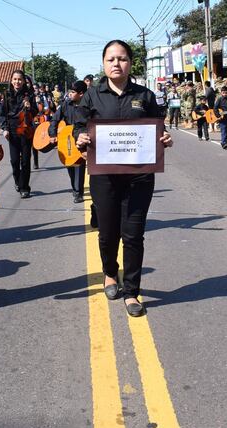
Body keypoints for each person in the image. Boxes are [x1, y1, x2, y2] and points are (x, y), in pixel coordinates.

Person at [74, 40, 173, 317]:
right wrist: (79, 137)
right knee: (107, 233)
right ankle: (108, 273)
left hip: (139, 176)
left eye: (122, 58)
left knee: (133, 235)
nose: (116, 63)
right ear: (104, 64)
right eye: (111, 59)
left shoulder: (146, 95)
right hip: (104, 176)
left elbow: (158, 127)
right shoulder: (92, 96)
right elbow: (79, 126)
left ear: (130, 62)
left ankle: (131, 291)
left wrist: (164, 138)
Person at [48, 80, 87, 202]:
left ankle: (78, 192)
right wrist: (52, 133)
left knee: (79, 165)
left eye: (73, 92)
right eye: (70, 91)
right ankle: (74, 188)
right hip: (67, 138)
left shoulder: (88, 105)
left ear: (81, 94)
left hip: (81, 138)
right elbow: (55, 119)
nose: (70, 93)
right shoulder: (66, 104)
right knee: (69, 165)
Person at [1, 69, 38, 198]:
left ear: (23, 81)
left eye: (20, 79)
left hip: (26, 130)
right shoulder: (6, 95)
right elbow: (2, 114)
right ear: (11, 81)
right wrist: (4, 128)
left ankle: (25, 188)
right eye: (15, 79)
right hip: (12, 130)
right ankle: (18, 181)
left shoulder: (29, 95)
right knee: (15, 161)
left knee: (26, 161)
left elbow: (35, 112)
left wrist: (29, 107)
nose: (17, 81)